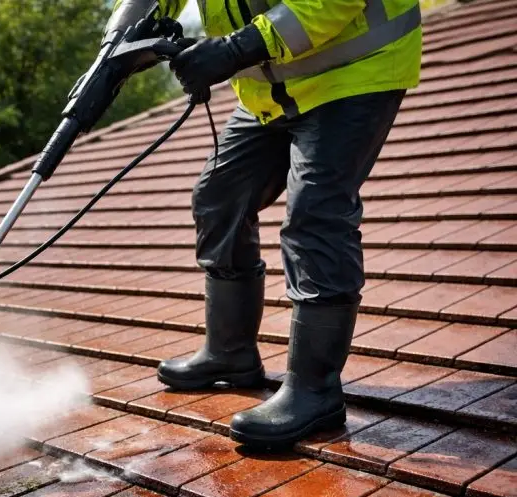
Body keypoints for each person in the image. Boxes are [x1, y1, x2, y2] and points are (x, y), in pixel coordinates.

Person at [130, 0, 423, 447]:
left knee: (315, 215)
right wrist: (123, 37)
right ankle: (230, 354)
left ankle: (316, 389)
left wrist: (234, 48)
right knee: (219, 197)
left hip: (356, 71)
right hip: (273, 85)